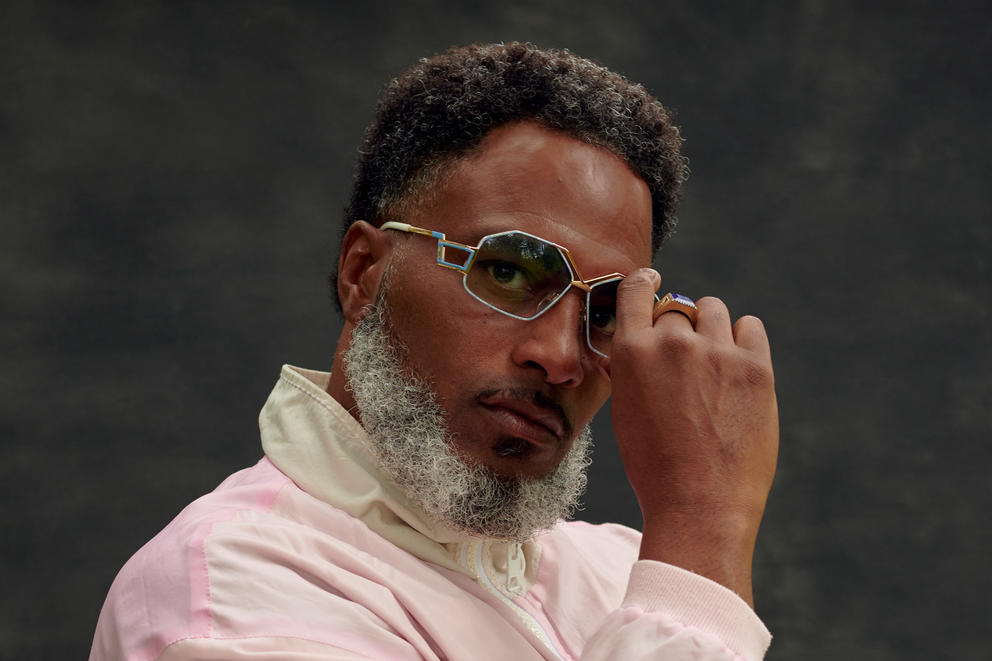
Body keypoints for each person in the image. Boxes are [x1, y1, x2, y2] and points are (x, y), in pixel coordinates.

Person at [91, 42, 779, 660]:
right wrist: (700, 521)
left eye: (603, 311)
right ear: (364, 271)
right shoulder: (231, 594)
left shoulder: (623, 574)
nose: (561, 357)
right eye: (507, 270)